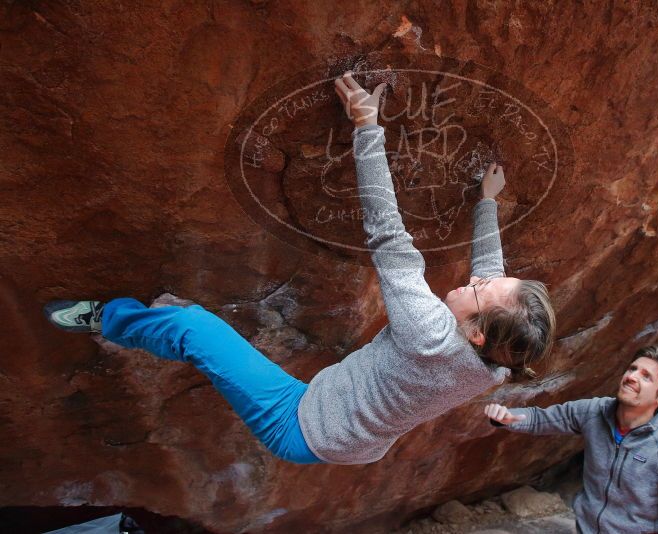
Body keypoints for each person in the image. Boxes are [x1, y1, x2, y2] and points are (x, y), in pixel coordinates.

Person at [44, 72, 556, 465]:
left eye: (484, 289)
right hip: (351, 436)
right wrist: (487, 203)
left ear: (477, 335)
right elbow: (493, 277)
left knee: (192, 327)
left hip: (299, 424)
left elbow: (388, 234)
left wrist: (366, 126)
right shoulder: (496, 363)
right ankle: (159, 318)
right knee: (190, 325)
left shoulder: (429, 333)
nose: (480, 278)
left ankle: (107, 319)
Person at [484, 345, 658, 533]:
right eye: (633, 368)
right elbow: (544, 418)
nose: (631, 377)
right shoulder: (595, 412)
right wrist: (508, 418)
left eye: (646, 377)